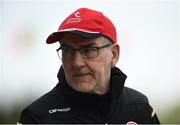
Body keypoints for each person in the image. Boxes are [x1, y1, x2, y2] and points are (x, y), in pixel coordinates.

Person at [18, 7, 160, 124]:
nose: (77, 63)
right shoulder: (37, 117)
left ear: (114, 54)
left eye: (89, 50)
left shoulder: (139, 108)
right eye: (67, 51)